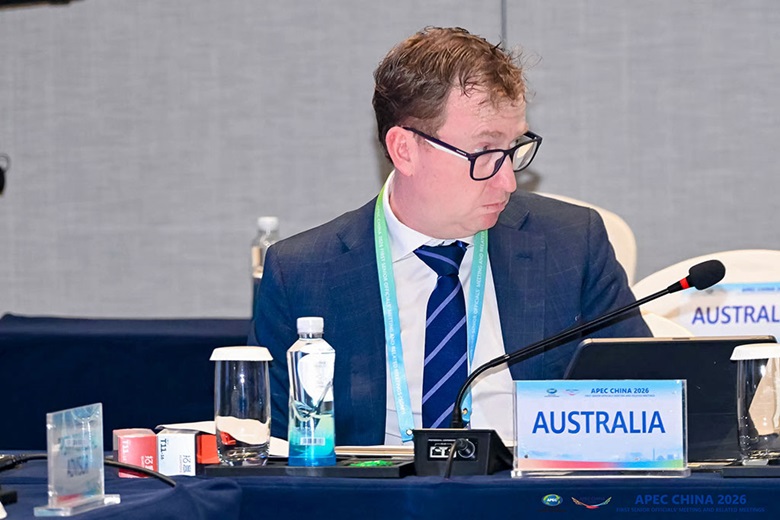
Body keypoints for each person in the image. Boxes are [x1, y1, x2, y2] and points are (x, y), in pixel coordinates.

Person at [249, 26, 651, 446]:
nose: (509, 182)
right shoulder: (303, 273)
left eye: (514, 147)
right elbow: (273, 449)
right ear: (405, 150)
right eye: (486, 153)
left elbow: (645, 402)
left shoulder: (571, 244)